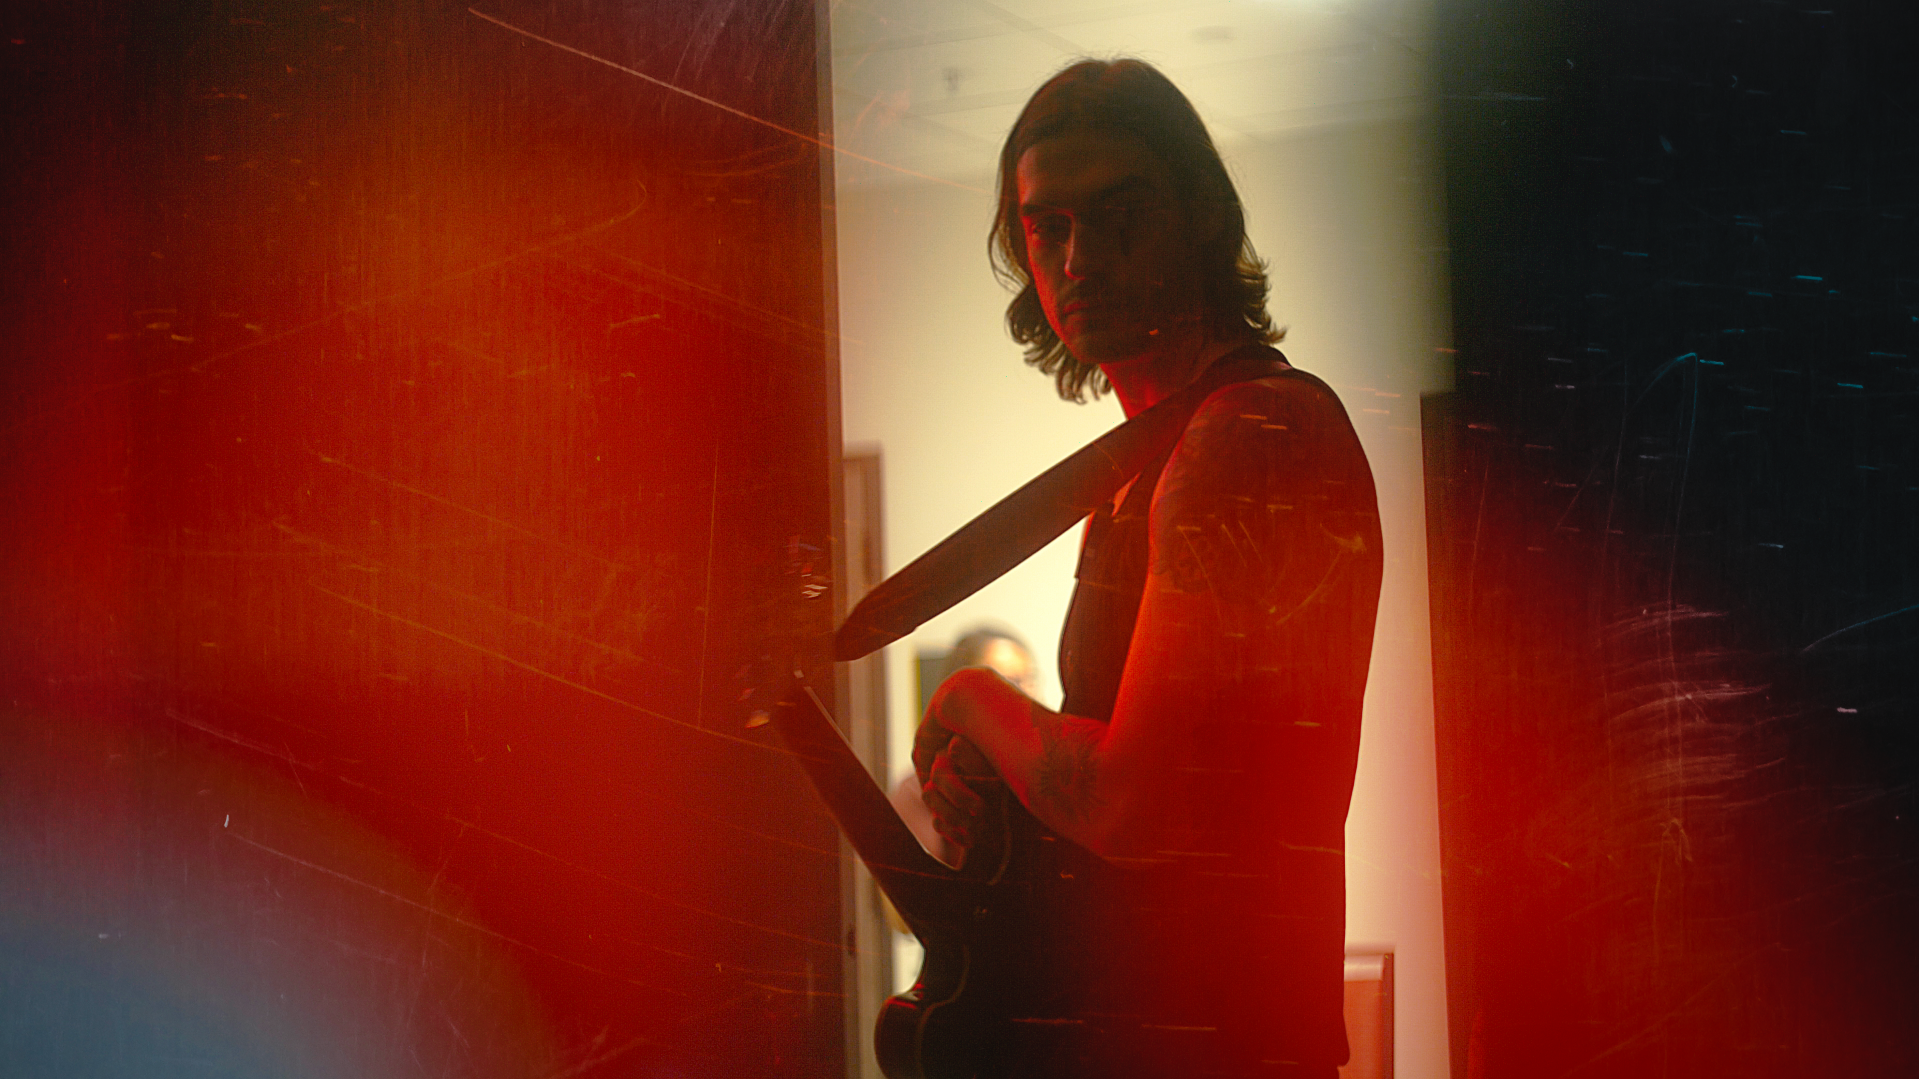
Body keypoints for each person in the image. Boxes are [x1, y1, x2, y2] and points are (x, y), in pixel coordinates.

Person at [911, 59, 1383, 1078]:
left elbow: (1131, 805)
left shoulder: (1245, 431)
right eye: (1048, 228)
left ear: (1201, 217)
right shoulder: (1147, 463)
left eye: (1120, 214)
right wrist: (1002, 786)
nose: (1080, 259)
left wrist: (969, 696)